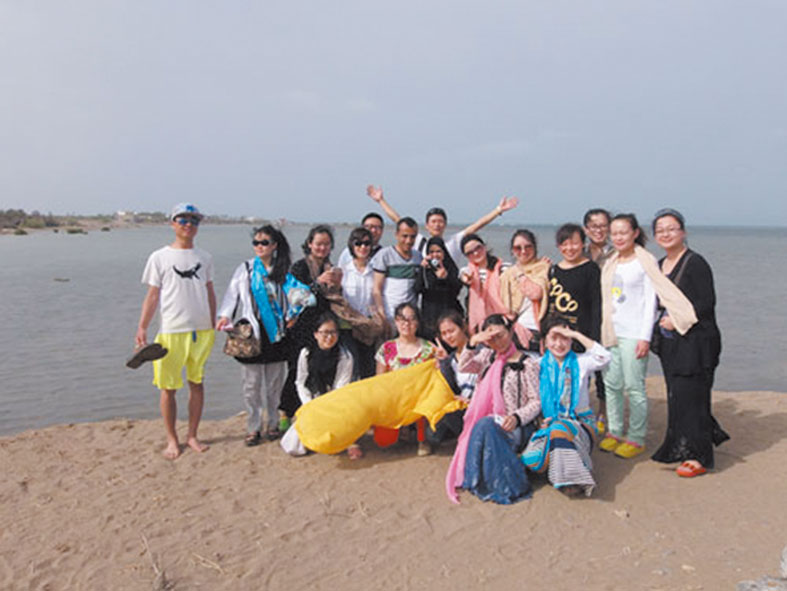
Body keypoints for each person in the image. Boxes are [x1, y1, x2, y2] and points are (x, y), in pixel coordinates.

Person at [216, 225, 315, 446]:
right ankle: (253, 427)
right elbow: (232, 295)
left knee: (274, 384)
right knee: (251, 385)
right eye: (256, 243)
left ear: (274, 245)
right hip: (251, 333)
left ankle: (272, 424)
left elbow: (301, 295)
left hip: (277, 334)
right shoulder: (246, 269)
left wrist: (293, 314)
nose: (260, 246)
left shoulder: (283, 271)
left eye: (264, 242)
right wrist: (224, 316)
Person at [649, 208, 729, 477]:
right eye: (660, 230)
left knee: (693, 395)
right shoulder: (660, 265)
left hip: (697, 342)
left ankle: (699, 456)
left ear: (683, 232)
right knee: (677, 395)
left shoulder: (695, 263)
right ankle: (681, 445)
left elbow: (706, 303)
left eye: (671, 229)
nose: (666, 234)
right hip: (671, 343)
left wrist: (677, 319)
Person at [135, 203, 216, 460]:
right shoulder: (159, 257)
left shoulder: (205, 258)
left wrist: (213, 322)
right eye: (183, 220)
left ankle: (192, 435)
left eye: (194, 221)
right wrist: (142, 326)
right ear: (173, 224)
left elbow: (210, 291)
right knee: (168, 387)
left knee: (197, 383)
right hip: (171, 331)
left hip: (201, 331)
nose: (189, 225)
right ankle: (172, 439)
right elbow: (153, 295)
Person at [445, 314, 541, 504]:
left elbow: (536, 401)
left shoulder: (527, 363)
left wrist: (516, 417)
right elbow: (464, 366)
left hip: (515, 425)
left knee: (485, 425)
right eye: (491, 338)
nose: (497, 342)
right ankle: (482, 480)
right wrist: (472, 343)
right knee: (481, 424)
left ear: (511, 332)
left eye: (500, 335)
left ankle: (506, 484)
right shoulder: (486, 357)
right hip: (489, 420)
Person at [521, 316, 611, 496]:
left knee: (559, 428)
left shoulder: (581, 362)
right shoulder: (537, 365)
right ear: (544, 341)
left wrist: (576, 334)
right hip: (547, 424)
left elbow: (605, 357)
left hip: (581, 424)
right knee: (532, 460)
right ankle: (560, 467)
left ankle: (572, 479)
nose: (559, 344)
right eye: (554, 338)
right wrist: (539, 422)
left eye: (565, 338)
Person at [598, 214, 657, 459]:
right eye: (614, 233)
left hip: (634, 334)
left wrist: (645, 337)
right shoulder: (611, 261)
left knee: (634, 387)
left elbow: (651, 302)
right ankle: (614, 432)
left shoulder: (645, 261)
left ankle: (636, 437)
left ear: (635, 233)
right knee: (612, 385)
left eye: (623, 232)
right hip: (611, 332)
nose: (618, 237)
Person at [366, 184, 519, 262]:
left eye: (440, 222)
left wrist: (498, 210)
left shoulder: (454, 241)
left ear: (445, 225)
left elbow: (477, 225)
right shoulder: (419, 241)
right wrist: (381, 200)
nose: (437, 225)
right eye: (433, 222)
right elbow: (398, 220)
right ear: (427, 225)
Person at [280, 225, 339, 424]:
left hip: (323, 326)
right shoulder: (299, 267)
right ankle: (286, 412)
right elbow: (295, 297)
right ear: (309, 244)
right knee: (296, 369)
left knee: (318, 368)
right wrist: (318, 283)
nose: (322, 248)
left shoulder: (330, 267)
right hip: (301, 326)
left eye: (326, 244)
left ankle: (312, 410)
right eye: (319, 244)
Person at [547, 223, 603, 425]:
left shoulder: (590, 269)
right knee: (558, 377)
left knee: (580, 380)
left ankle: (582, 418)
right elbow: (550, 304)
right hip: (557, 335)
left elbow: (596, 305)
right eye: (565, 244)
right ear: (558, 246)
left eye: (575, 243)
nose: (570, 248)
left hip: (581, 333)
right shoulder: (554, 270)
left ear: (583, 244)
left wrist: (594, 337)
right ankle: (560, 417)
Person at [280, 312, 355, 456]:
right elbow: (300, 381)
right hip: (312, 400)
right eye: (325, 333)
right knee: (293, 447)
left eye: (333, 332)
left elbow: (341, 385)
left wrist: (325, 406)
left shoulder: (345, 356)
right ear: (316, 334)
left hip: (335, 401)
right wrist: (309, 404)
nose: (329, 337)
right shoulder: (306, 353)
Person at [372, 302, 436, 458]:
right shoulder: (387, 348)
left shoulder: (429, 348)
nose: (406, 324)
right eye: (402, 319)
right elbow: (379, 380)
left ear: (417, 322)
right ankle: (402, 427)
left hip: (419, 397)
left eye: (411, 319)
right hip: (394, 398)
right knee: (383, 440)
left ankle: (423, 438)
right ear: (395, 321)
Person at [426, 310, 478, 452]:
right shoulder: (451, 358)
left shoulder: (479, 350)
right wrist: (444, 362)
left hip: (477, 405)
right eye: (444, 333)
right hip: (460, 405)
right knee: (432, 435)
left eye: (451, 331)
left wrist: (473, 400)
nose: (448, 337)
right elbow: (451, 387)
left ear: (463, 327)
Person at [500, 229, 550, 351]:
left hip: (538, 330)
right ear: (512, 251)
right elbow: (501, 306)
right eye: (518, 248)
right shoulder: (507, 275)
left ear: (535, 247)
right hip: (514, 331)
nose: (523, 251)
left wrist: (520, 274)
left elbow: (535, 293)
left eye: (528, 247)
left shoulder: (544, 268)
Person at [338, 226, 378, 378]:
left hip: (368, 327)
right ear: (352, 245)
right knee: (350, 366)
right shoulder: (343, 271)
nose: (363, 247)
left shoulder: (376, 270)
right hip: (348, 326)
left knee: (368, 368)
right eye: (358, 243)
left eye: (367, 243)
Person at [371, 217, 422, 323]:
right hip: (389, 315)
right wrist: (381, 314)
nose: (408, 241)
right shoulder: (385, 255)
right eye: (405, 236)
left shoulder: (418, 257)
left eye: (412, 237)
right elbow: (377, 288)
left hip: (410, 317)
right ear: (396, 235)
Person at [459, 233, 511, 335]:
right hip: (480, 322)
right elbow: (464, 276)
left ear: (484, 247)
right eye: (470, 253)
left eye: (478, 248)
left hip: (504, 318)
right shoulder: (468, 271)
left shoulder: (504, 268)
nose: (475, 253)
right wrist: (467, 279)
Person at [414, 236, 463, 340]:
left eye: (438, 251)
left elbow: (457, 290)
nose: (435, 255)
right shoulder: (425, 269)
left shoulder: (450, 267)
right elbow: (417, 289)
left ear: (444, 252)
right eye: (431, 252)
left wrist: (445, 278)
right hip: (429, 316)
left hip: (449, 314)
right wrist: (422, 269)